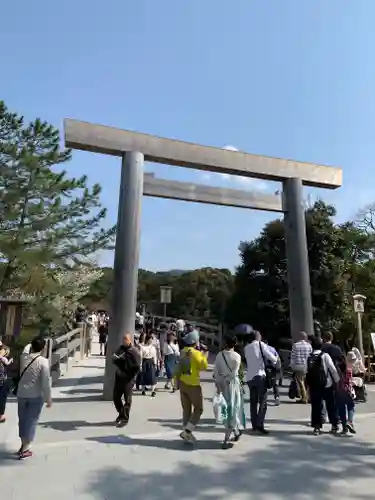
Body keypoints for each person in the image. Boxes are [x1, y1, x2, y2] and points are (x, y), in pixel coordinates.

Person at [17, 336, 52, 460]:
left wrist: (31, 343)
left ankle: (22, 445)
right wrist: (48, 398)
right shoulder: (43, 361)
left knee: (22, 419)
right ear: (44, 348)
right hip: (35, 395)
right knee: (31, 420)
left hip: (21, 394)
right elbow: (45, 382)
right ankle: (26, 449)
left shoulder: (24, 357)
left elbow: (26, 348)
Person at [176, 329, 208, 443]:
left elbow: (180, 367)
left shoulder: (183, 351)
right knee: (199, 409)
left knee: (187, 409)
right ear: (195, 341)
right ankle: (188, 431)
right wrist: (205, 354)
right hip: (193, 385)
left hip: (183, 382)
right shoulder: (196, 353)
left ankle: (186, 432)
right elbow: (203, 366)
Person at [214, 336, 246, 449]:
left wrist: (218, 384)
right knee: (234, 409)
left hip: (222, 384)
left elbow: (216, 372)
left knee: (225, 409)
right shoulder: (237, 356)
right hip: (233, 384)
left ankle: (233, 432)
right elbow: (234, 373)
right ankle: (231, 434)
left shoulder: (219, 355)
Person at [244, 331, 278, 434]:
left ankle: (254, 425)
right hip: (260, 376)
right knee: (263, 402)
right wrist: (275, 359)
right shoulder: (261, 344)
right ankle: (260, 424)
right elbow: (272, 358)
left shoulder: (246, 348)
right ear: (259, 337)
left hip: (249, 377)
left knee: (253, 402)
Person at [306, 336, 340, 435]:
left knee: (316, 406)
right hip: (327, 384)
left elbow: (306, 371)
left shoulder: (309, 356)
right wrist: (337, 381)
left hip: (314, 385)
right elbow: (332, 369)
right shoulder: (325, 355)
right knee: (331, 405)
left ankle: (317, 427)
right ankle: (334, 425)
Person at [112, 333, 141, 426]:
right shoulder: (121, 349)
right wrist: (117, 360)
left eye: (126, 339)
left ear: (130, 340)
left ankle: (125, 418)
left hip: (128, 379)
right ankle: (121, 413)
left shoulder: (134, 351)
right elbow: (114, 358)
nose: (124, 341)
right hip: (119, 377)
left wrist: (131, 375)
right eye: (123, 339)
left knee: (127, 399)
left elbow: (136, 366)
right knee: (116, 397)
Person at [337, 352, 356, 435]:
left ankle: (344, 427)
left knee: (341, 409)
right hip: (347, 390)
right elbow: (348, 381)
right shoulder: (349, 369)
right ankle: (350, 422)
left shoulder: (339, 367)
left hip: (339, 390)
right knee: (351, 406)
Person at [290, 331, 312, 404]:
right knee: (306, 382)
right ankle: (307, 397)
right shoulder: (309, 345)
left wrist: (292, 365)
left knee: (301, 382)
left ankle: (304, 398)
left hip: (298, 366)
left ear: (299, 337)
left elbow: (293, 357)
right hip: (307, 366)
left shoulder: (295, 345)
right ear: (305, 337)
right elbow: (311, 356)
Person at [263, 340, 281, 405]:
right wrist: (278, 367)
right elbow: (277, 358)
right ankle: (277, 397)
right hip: (273, 368)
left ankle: (264, 398)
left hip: (264, 368)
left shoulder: (261, 350)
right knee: (274, 383)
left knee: (264, 383)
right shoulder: (272, 348)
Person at [0, 344, 13, 423]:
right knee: (1, 398)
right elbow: (7, 364)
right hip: (2, 380)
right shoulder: (2, 357)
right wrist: (11, 360)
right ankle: (1, 416)